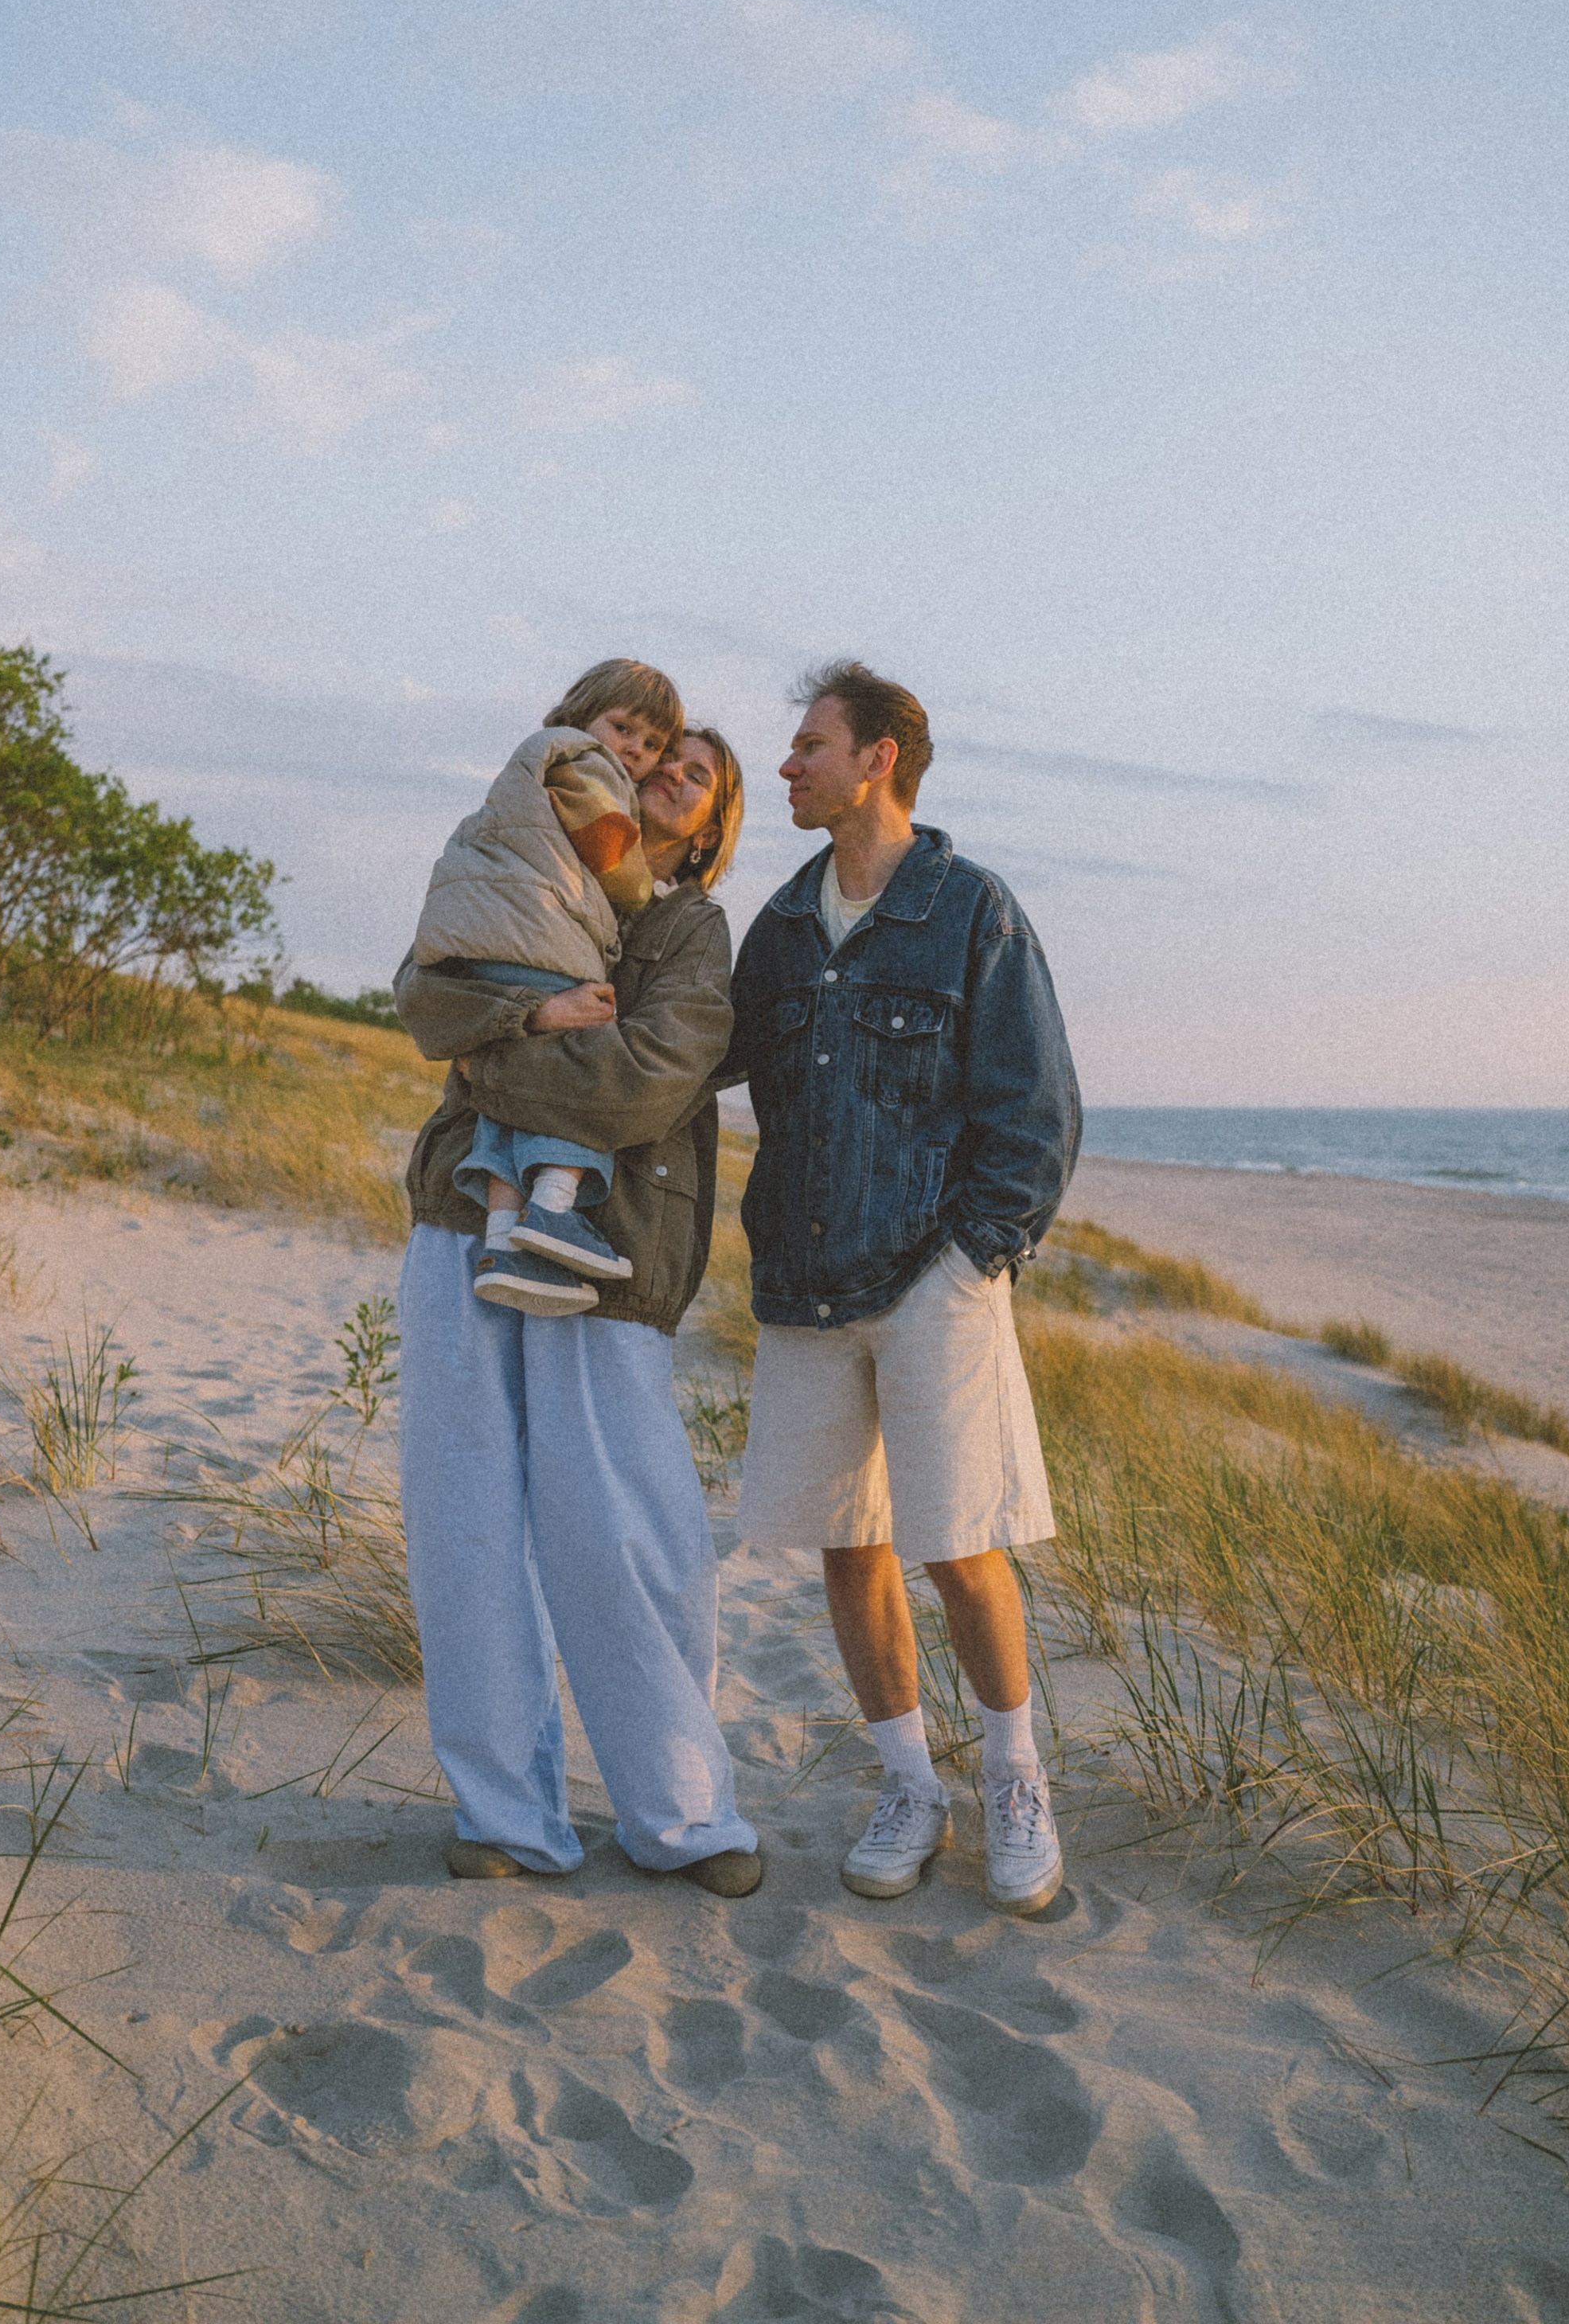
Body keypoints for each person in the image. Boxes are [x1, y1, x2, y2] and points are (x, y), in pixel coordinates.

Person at [728, 661, 1080, 1915]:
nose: (787, 765)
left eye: (809, 745)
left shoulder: (970, 908)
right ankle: (909, 1787)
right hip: (807, 1288)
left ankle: (1016, 1780)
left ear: (879, 758)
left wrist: (970, 1261)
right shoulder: (780, 925)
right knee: (850, 1544)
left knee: (962, 1547)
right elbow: (692, 1058)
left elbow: (1037, 1110)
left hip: (934, 1283)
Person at [393, 725, 763, 1896]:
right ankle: (504, 1818)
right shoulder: (524, 874)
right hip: (462, 1223)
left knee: (628, 1537)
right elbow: (421, 998)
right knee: (464, 1529)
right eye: (657, 760)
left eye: (697, 776)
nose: (668, 776)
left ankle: (682, 1816)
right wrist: (522, 1022)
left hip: (614, 1254)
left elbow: (648, 1078)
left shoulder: (689, 930)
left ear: (711, 828)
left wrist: (494, 1052)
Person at [409, 658, 684, 1310]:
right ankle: (554, 1208)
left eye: (652, 744)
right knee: (577, 1069)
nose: (635, 751)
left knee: (508, 1107)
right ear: (582, 715)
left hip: (489, 951)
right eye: (624, 728)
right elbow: (610, 853)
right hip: (538, 946)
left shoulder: (523, 775)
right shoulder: (583, 762)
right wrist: (644, 891)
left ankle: (503, 1238)